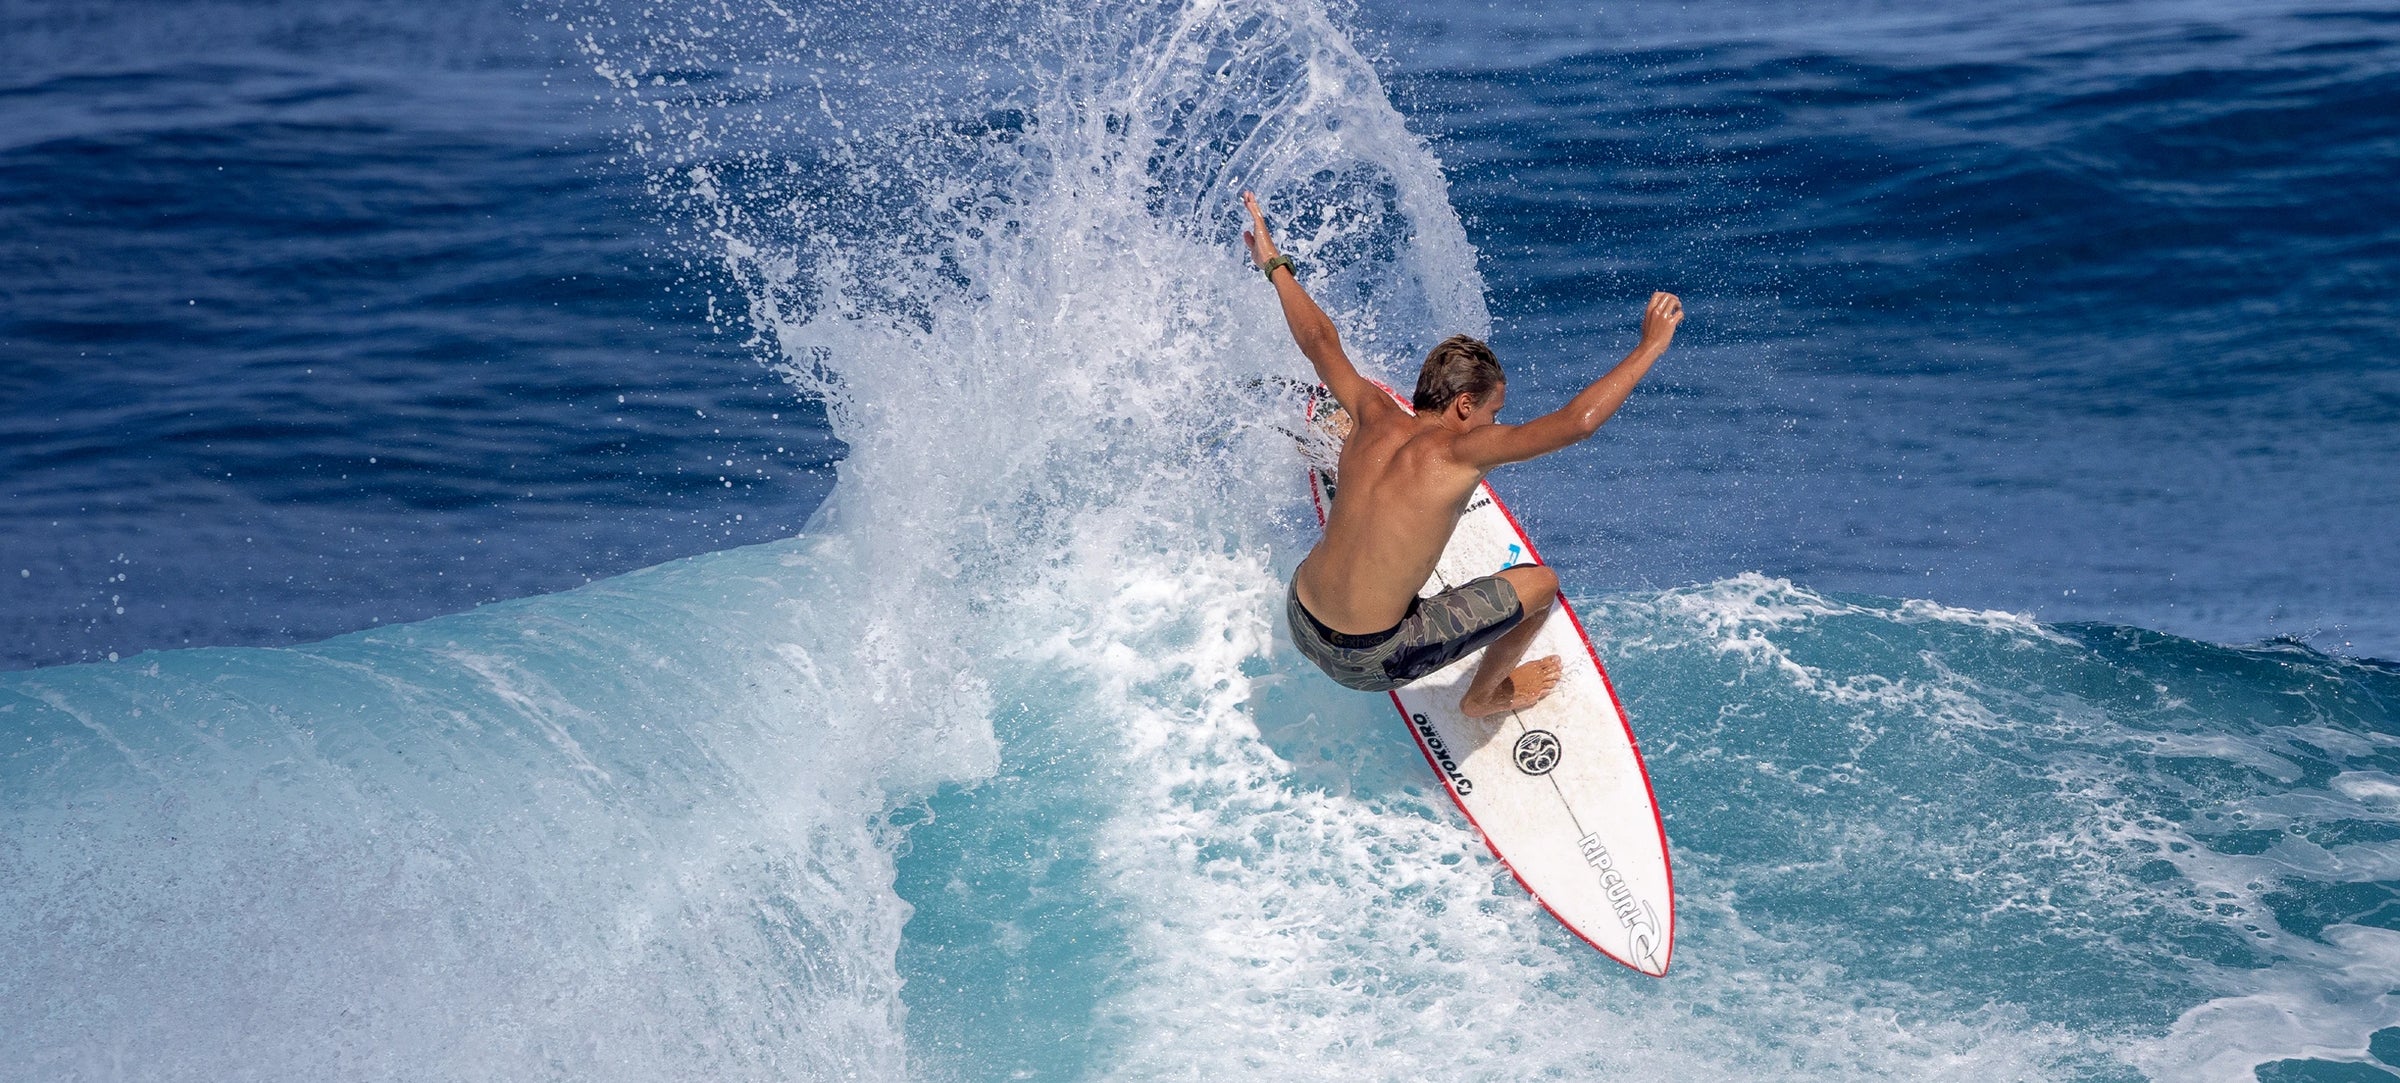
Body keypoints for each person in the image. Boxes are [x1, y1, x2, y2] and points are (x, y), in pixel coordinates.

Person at [1243, 191, 1683, 718]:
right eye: (1493, 413)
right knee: (1542, 584)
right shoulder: (1462, 452)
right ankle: (1484, 696)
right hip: (1367, 661)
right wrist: (1650, 346)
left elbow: (1318, 340)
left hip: (1300, 616)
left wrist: (1274, 265)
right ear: (1464, 404)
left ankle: (1334, 484)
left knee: (1339, 421)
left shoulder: (1372, 409)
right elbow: (1577, 424)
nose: (1495, 425)